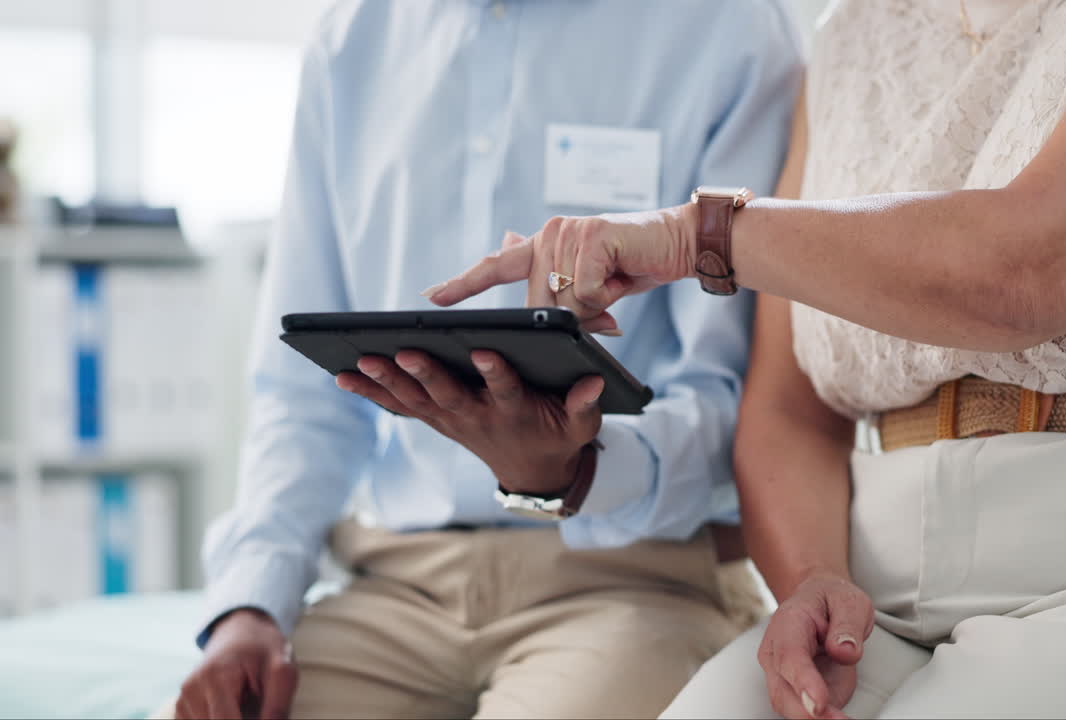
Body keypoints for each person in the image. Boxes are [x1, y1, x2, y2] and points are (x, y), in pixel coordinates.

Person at [432, 0, 1066, 717]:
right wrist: (811, 579)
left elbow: (1029, 272)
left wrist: (699, 236)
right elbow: (787, 412)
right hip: (883, 602)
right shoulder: (848, 37)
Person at [171, 1, 802, 718]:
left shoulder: (730, 28)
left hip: (641, 580)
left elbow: (744, 395)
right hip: (396, 585)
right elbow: (301, 396)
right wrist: (251, 603)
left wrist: (576, 473)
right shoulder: (352, 34)